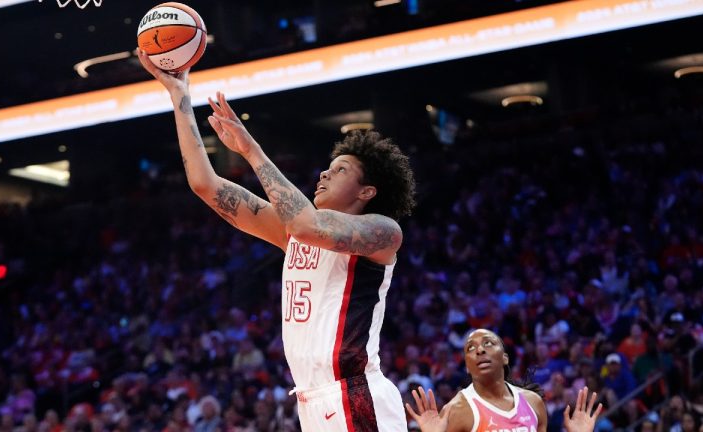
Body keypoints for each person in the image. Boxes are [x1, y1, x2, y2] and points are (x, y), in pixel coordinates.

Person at [138, 50, 416, 432]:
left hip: (355, 394)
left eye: (340, 170)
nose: (324, 173)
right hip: (310, 400)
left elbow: (306, 223)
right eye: (328, 166)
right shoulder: (294, 231)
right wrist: (178, 95)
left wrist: (251, 150)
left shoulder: (383, 232)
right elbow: (206, 185)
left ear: (367, 191)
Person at [405, 328, 603, 432]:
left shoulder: (533, 402)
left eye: (488, 343)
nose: (480, 350)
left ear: (505, 357)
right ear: (467, 365)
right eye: (470, 348)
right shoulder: (457, 410)